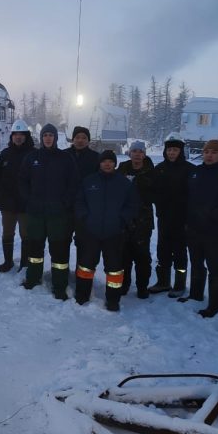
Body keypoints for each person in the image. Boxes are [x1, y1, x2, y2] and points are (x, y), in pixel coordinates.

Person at [179, 139, 218, 317]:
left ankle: (215, 304)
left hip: (215, 229)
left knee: (214, 267)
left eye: (213, 152)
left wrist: (214, 214)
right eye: (206, 152)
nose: (209, 155)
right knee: (196, 263)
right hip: (194, 227)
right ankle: (195, 295)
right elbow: (187, 197)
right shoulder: (195, 173)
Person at [19, 123, 79, 300]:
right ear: (41, 138)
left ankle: (59, 285)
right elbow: (22, 181)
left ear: (55, 138)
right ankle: (33, 278)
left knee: (59, 249)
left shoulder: (65, 158)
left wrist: (64, 203)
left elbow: (73, 183)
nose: (48, 138)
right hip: (36, 212)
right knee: (35, 247)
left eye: (51, 135)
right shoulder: (32, 158)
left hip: (58, 214)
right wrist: (29, 200)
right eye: (45, 135)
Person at [74, 150, 138, 311]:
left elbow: (133, 205)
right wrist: (85, 217)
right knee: (86, 267)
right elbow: (79, 201)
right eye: (104, 161)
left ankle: (113, 300)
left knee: (115, 270)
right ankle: (82, 295)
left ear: (115, 164)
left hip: (114, 233)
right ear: (100, 163)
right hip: (91, 232)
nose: (107, 164)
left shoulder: (124, 183)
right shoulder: (89, 181)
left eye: (110, 161)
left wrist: (122, 219)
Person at [150, 134, 195, 297]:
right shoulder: (159, 168)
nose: (172, 153)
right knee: (163, 249)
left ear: (180, 152)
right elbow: (153, 191)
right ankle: (163, 282)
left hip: (182, 219)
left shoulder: (189, 169)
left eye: (175, 150)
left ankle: (179, 284)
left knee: (180, 251)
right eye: (169, 150)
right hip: (164, 217)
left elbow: (194, 195)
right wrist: (159, 203)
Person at [0, 119, 34, 272]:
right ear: (11, 136)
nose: (18, 137)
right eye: (15, 134)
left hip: (25, 203)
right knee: (7, 232)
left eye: (21, 134)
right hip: (7, 202)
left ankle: (24, 263)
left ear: (26, 136)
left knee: (26, 234)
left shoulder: (33, 154)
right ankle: (8, 262)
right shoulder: (5, 154)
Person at [117, 140, 155, 298]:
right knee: (124, 255)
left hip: (143, 219)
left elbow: (155, 194)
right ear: (130, 153)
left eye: (140, 152)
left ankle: (142, 287)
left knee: (142, 256)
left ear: (144, 154)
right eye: (134, 151)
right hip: (125, 218)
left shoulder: (151, 171)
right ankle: (124, 284)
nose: (137, 154)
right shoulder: (122, 169)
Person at [67, 126, 100, 265]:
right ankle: (61, 272)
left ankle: (82, 276)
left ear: (88, 140)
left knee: (83, 242)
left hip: (86, 208)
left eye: (84, 138)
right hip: (66, 206)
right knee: (63, 241)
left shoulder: (96, 158)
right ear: (73, 139)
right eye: (77, 137)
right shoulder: (64, 155)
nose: (80, 140)